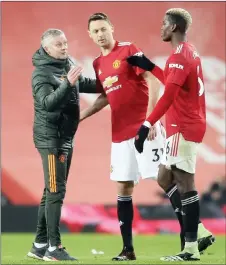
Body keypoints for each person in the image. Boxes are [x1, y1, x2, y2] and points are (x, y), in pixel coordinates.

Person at [127, 8, 215, 261]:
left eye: (165, 23)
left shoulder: (179, 56)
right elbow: (174, 81)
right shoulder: (188, 52)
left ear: (174, 27)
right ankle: (198, 230)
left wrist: (146, 124)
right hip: (187, 124)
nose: (161, 27)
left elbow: (169, 95)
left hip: (182, 127)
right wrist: (151, 67)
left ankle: (191, 249)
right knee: (164, 178)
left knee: (186, 184)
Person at [27, 28, 100, 261]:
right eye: (59, 44)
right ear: (47, 49)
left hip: (65, 137)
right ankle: (54, 248)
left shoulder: (67, 64)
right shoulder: (40, 74)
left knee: (51, 190)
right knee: (56, 191)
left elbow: (85, 83)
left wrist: (113, 84)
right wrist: (67, 84)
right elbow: (48, 103)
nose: (65, 47)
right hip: (51, 139)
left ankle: (39, 245)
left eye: (65, 42)